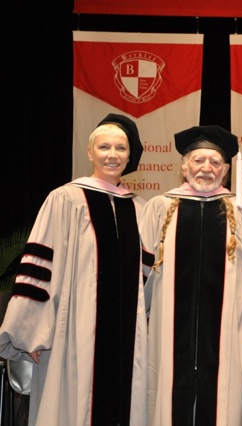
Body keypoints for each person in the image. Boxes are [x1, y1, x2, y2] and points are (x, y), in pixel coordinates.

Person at [0, 113, 148, 426]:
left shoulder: (138, 208)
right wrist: (31, 333)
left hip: (127, 338)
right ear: (90, 152)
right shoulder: (65, 199)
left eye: (120, 148)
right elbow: (39, 267)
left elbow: (147, 280)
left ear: (130, 156)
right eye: (104, 147)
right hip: (73, 333)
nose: (112, 155)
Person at [139, 125, 242, 425]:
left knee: (222, 404)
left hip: (227, 331)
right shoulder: (159, 207)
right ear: (184, 166)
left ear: (225, 170)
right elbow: (141, 272)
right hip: (168, 329)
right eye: (198, 160)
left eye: (215, 162)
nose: (206, 168)